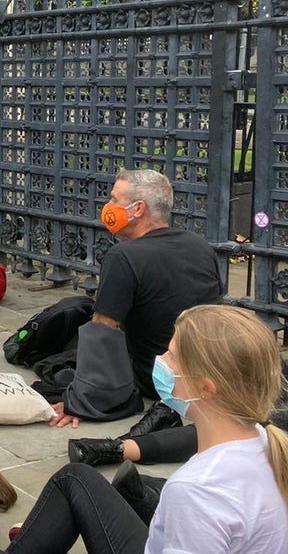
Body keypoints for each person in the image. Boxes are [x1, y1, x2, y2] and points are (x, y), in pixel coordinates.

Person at [0, 305, 288, 554]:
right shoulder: (263, 443)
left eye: (172, 356)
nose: (161, 361)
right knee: (75, 478)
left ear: (206, 387)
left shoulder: (197, 491)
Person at [51, 168, 222, 430]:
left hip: (157, 378)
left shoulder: (124, 256)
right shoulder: (199, 244)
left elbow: (102, 332)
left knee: (63, 349)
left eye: (114, 200)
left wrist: (82, 400)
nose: (108, 207)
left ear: (138, 209)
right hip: (205, 372)